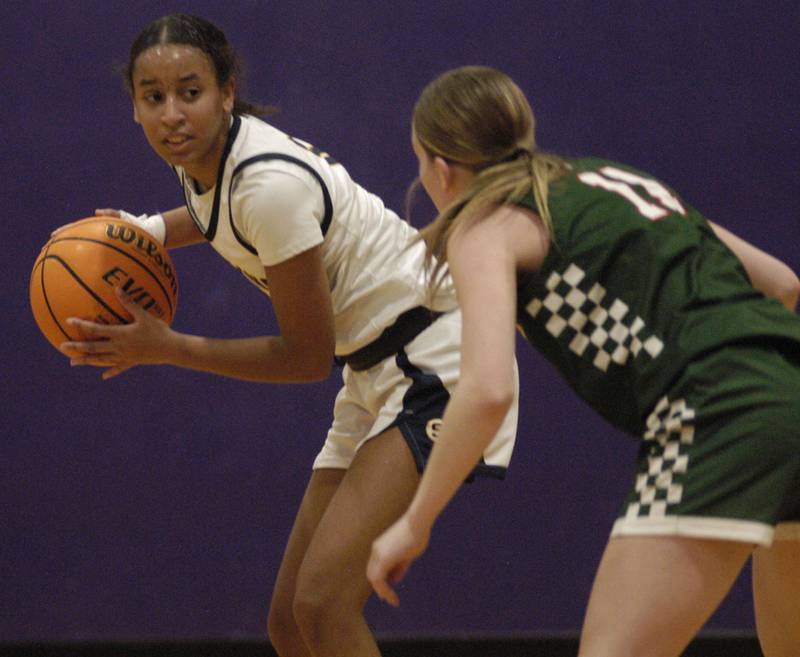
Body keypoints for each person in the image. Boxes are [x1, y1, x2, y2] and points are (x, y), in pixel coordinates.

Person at [58, 18, 519, 657]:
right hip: (373, 367)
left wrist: (167, 347)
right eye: (152, 96)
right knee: (291, 624)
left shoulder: (268, 187)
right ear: (133, 107)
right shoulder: (207, 161)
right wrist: (146, 231)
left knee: (326, 609)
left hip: (435, 359)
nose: (171, 113)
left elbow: (304, 359)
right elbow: (213, 215)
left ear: (226, 91)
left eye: (189, 92)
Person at [367, 65, 800, 657]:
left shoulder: (485, 226)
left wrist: (415, 523)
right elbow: (781, 282)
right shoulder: (611, 179)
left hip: (718, 410)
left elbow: (488, 389)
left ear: (442, 170)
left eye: (419, 160)